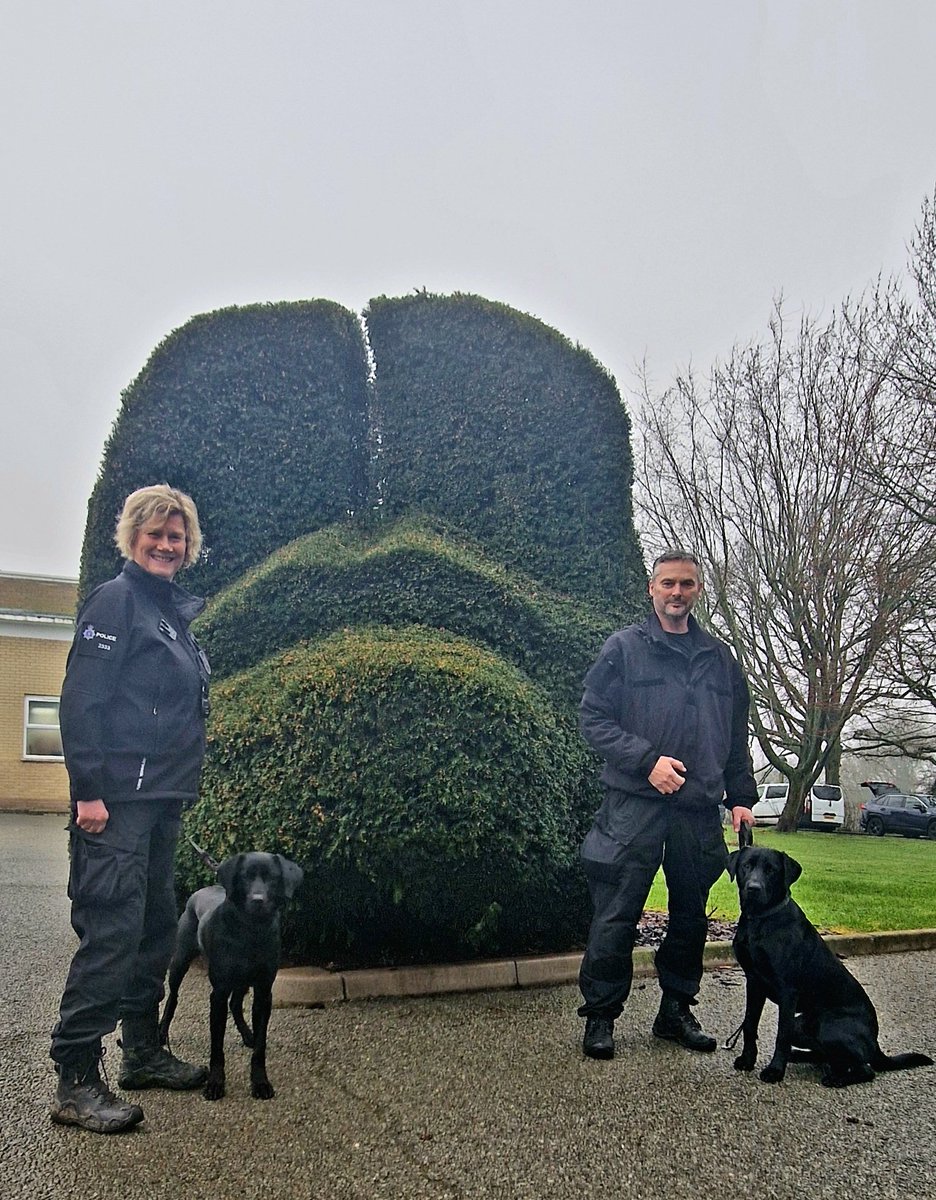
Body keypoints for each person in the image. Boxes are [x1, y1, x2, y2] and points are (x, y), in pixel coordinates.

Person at [50, 485, 213, 1133]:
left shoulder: (169, 614)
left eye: (177, 536)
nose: (167, 544)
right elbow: (81, 700)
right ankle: (75, 1079)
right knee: (112, 931)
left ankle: (141, 1052)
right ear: (132, 537)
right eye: (156, 533)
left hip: (160, 800)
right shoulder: (116, 601)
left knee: (152, 929)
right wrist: (87, 790)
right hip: (114, 802)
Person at [577, 549, 756, 1060]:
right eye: (668, 584)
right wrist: (646, 761)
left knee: (690, 917)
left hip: (697, 809)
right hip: (634, 804)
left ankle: (675, 1010)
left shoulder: (720, 660)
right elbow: (593, 719)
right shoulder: (624, 650)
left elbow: (735, 735)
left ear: (699, 591)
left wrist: (741, 797)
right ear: (651, 589)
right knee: (617, 912)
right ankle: (600, 1017)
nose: (677, 593)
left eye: (687, 584)